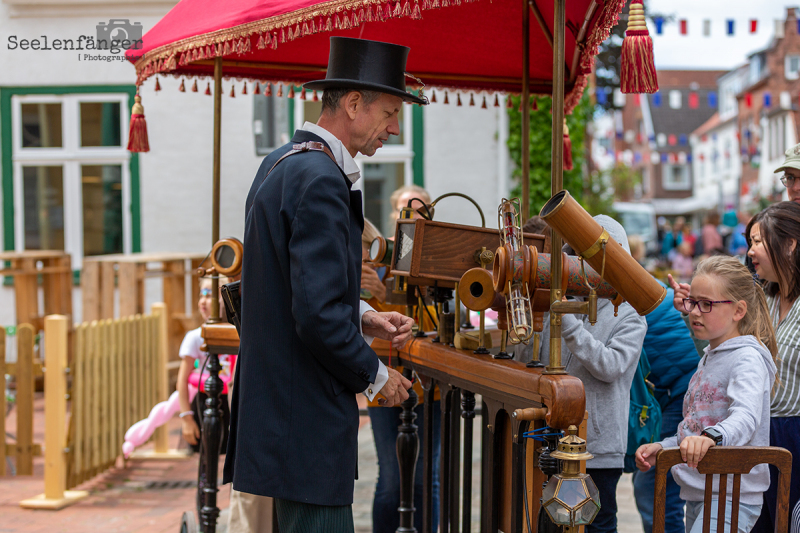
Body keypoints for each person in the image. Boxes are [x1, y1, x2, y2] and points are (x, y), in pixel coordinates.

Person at [224, 37, 425, 533]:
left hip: (283, 416)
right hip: (305, 422)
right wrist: (379, 378)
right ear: (353, 103)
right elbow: (314, 314)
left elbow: (301, 290)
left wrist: (364, 314)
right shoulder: (320, 178)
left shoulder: (282, 162)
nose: (394, 127)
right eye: (389, 111)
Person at [515, 215, 647, 533]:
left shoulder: (630, 315)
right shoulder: (563, 301)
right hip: (551, 430)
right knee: (549, 517)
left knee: (596, 522)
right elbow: (533, 361)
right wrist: (528, 319)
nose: (582, 267)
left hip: (597, 445)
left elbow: (610, 366)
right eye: (577, 258)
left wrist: (568, 323)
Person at [637, 255, 778, 533]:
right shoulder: (708, 357)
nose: (695, 312)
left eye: (707, 304)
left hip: (731, 494)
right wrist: (665, 447)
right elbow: (696, 426)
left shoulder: (747, 358)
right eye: (693, 302)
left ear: (739, 310)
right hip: (702, 491)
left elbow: (746, 417)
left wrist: (712, 437)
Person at [363, 209, 441, 533]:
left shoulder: (417, 269)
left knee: (425, 477)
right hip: (383, 386)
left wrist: (383, 294)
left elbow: (433, 324)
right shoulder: (364, 277)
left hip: (427, 391)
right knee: (390, 478)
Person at [631, 278, 703, 533]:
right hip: (677, 386)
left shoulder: (622, 296)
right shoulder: (639, 283)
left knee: (655, 487)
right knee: (656, 485)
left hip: (680, 390)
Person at [746, 202, 800, 533]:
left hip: (795, 437)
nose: (750, 250)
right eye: (749, 241)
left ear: (790, 244)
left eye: (758, 241)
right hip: (758, 434)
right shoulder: (761, 298)